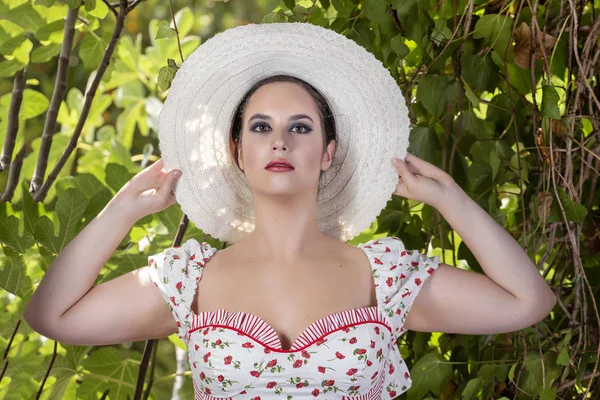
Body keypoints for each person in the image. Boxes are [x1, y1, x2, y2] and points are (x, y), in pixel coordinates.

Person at [23, 22, 556, 399]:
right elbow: (51, 316)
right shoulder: (189, 281)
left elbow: (527, 302)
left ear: (327, 153)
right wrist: (121, 212)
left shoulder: (384, 277)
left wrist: (451, 200)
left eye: (300, 127)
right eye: (261, 127)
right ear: (238, 151)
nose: (280, 142)